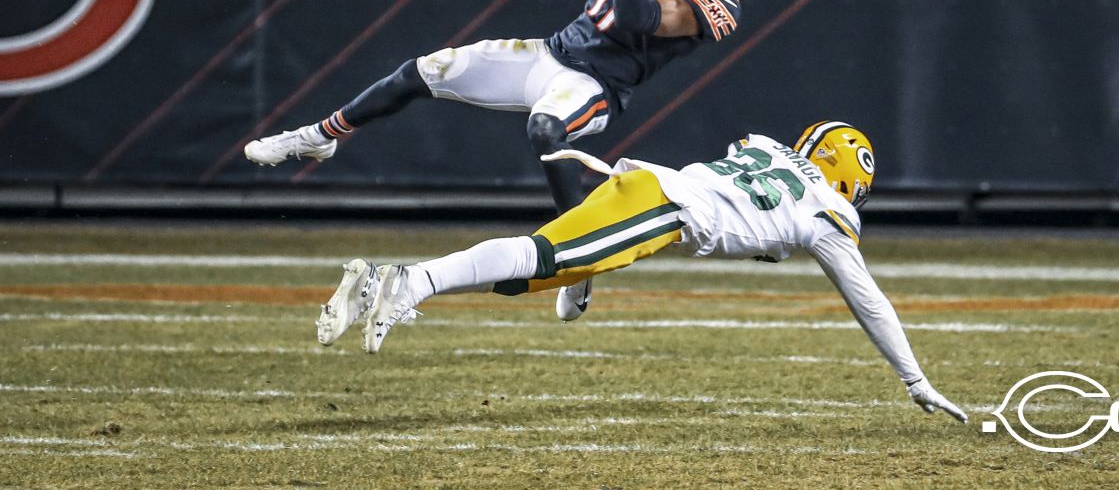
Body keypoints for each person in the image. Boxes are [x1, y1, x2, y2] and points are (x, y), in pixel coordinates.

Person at [244, 0, 778, 321]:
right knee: (426, 69)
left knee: (546, 128)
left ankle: (577, 259)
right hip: (550, 52)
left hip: (596, 86)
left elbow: (636, 16)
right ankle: (322, 133)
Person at [314, 121, 968, 423]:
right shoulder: (830, 213)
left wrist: (586, 275)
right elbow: (871, 303)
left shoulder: (770, 150)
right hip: (662, 209)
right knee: (540, 257)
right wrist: (915, 379)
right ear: (851, 180)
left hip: (649, 192)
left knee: (531, 273)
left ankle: (396, 282)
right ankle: (404, 281)